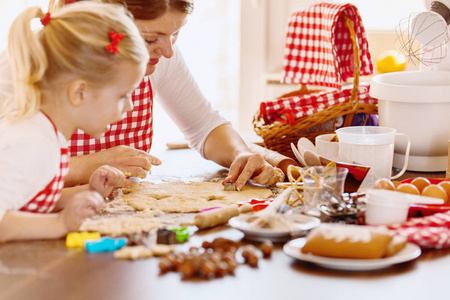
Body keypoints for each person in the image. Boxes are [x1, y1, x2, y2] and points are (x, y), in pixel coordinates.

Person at [43, 0, 283, 192]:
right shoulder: (30, 63)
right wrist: (84, 167)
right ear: (101, 24)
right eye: (150, 39)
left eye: (175, 34)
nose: (168, 51)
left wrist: (240, 154)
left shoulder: (159, 56)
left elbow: (205, 126)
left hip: (124, 214)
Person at [0, 1, 149, 242]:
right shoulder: (32, 143)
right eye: (122, 95)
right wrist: (60, 223)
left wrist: (90, 192)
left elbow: (28, 199)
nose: (130, 106)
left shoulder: (48, 134)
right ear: (79, 92)